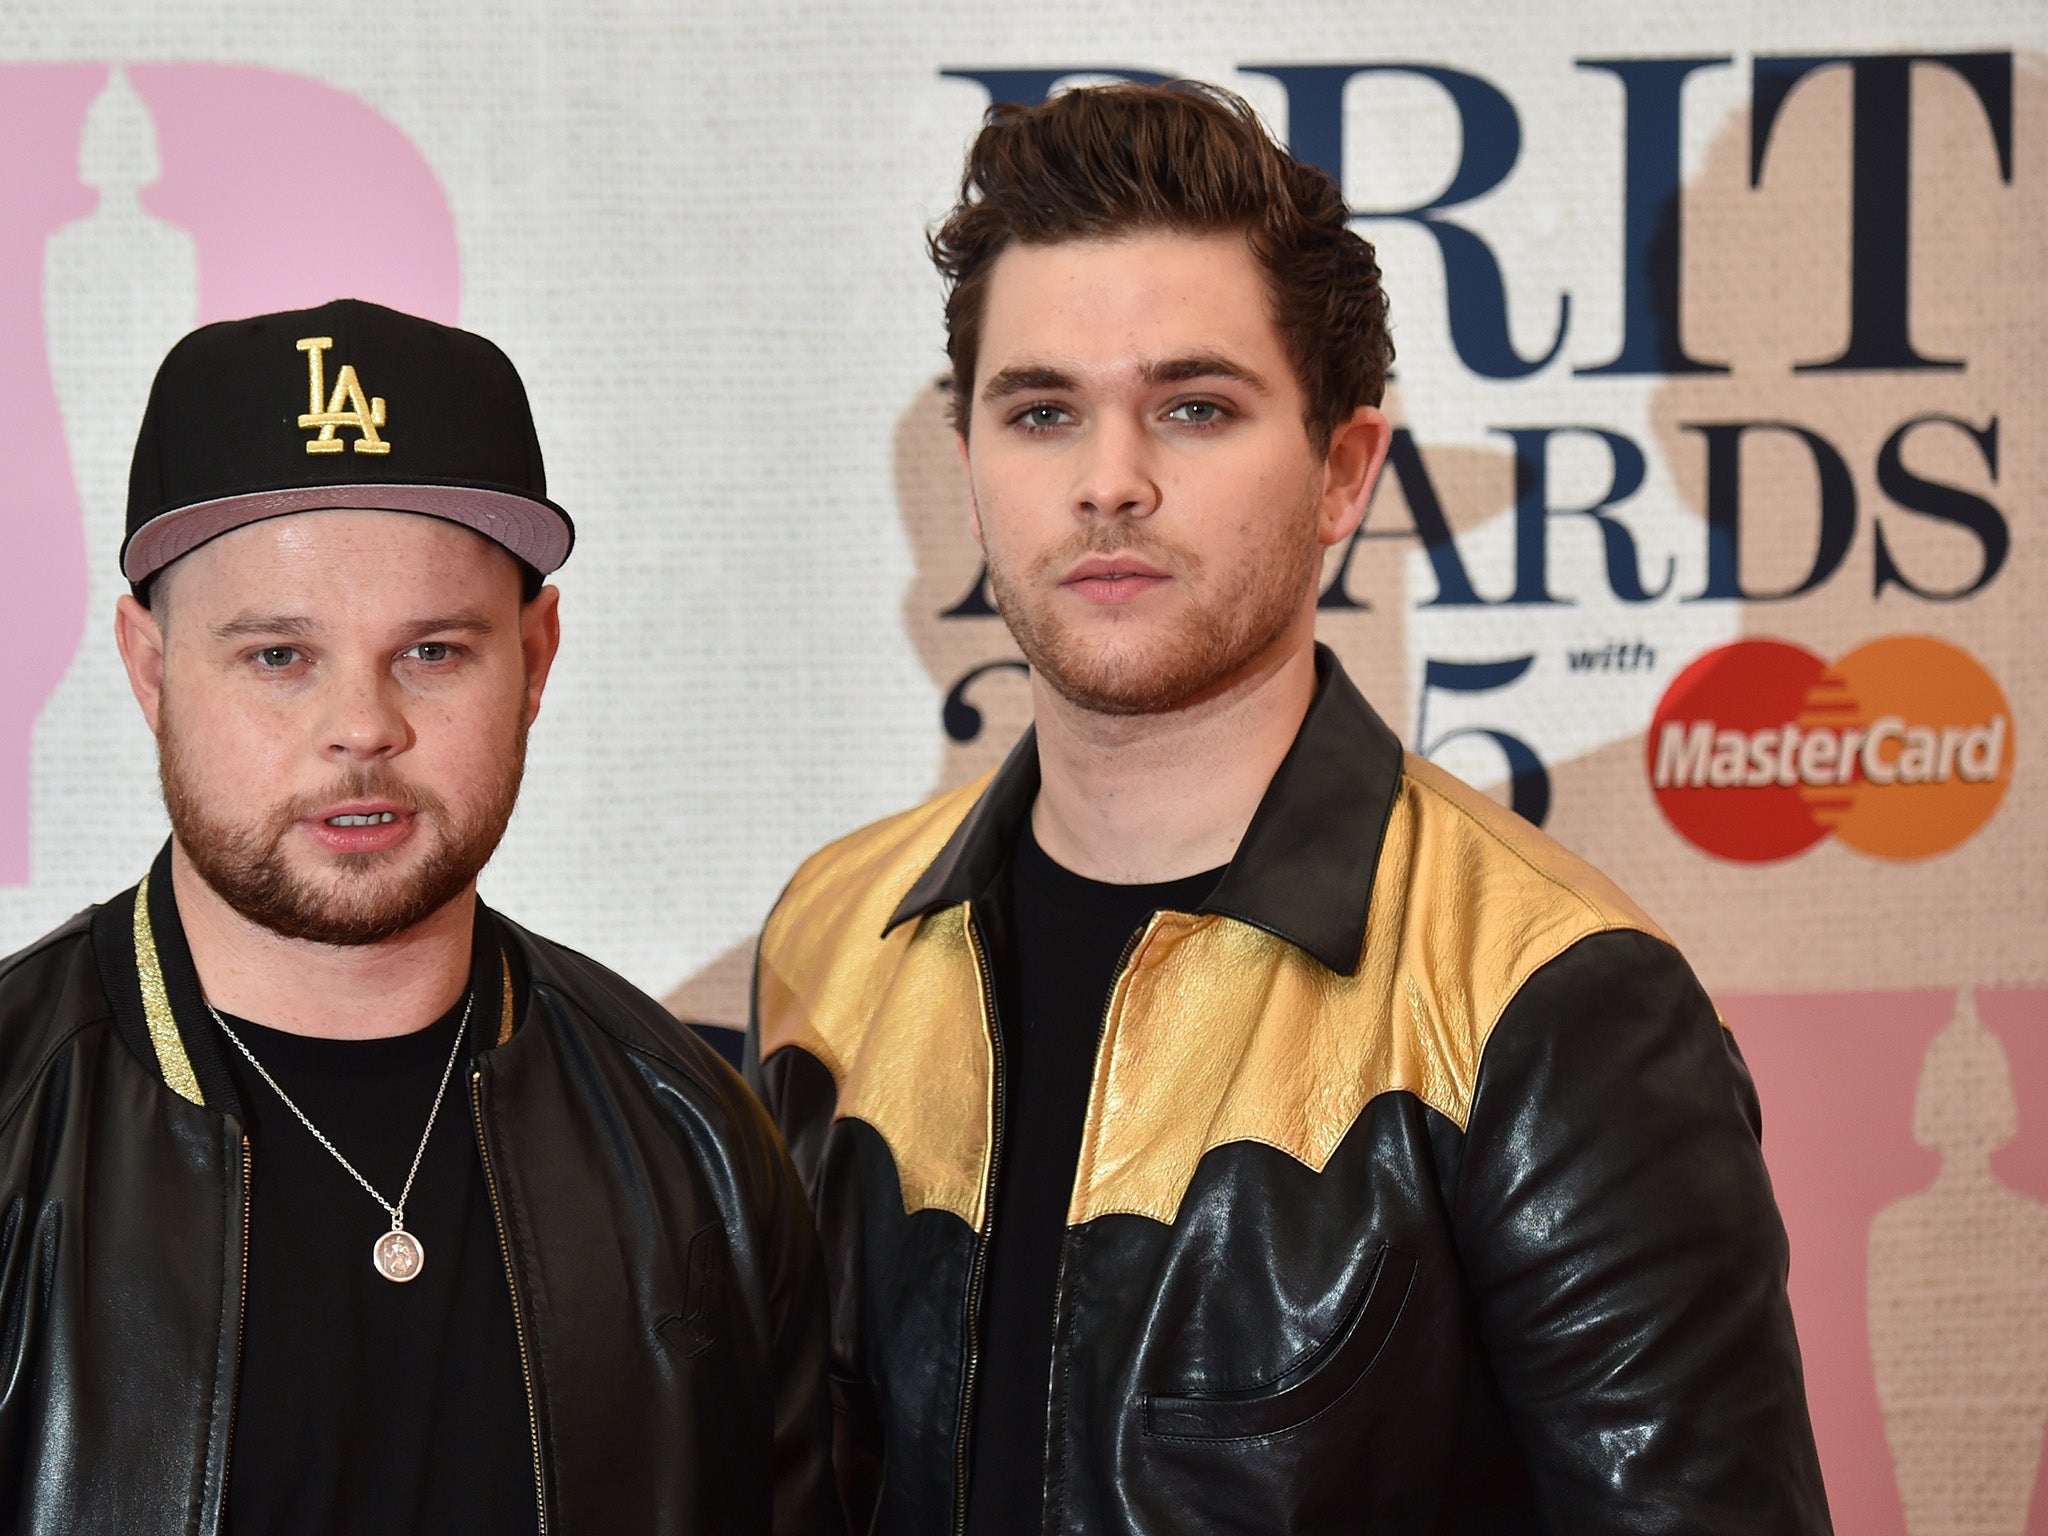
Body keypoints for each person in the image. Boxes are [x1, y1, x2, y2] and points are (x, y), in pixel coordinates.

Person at [747, 83, 1832, 1534]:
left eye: (1194, 408)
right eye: (1043, 411)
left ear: (1343, 473)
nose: (1109, 484)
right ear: (971, 470)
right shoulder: (834, 940)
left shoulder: (1551, 1003)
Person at [0, 298, 833, 1533]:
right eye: (279, 655)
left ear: (535, 659)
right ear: (150, 666)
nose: (363, 727)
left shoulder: (692, 1135)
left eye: (434, 651)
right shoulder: (18, 1112)